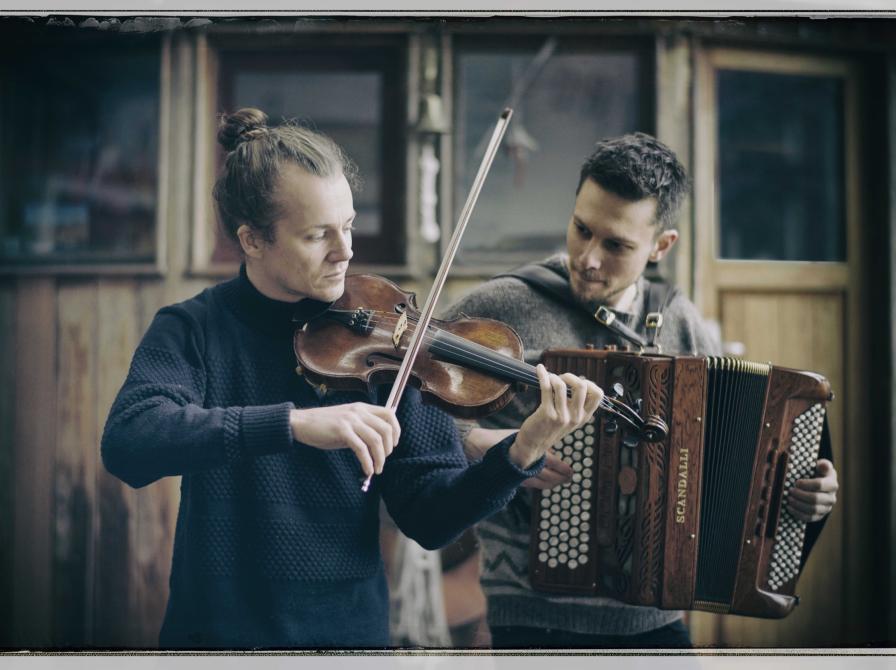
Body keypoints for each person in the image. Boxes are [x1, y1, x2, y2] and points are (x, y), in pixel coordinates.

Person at [100, 108, 604, 649]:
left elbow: (431, 520)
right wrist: (294, 424)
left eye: (347, 226)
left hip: (347, 638)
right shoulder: (193, 329)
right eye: (318, 235)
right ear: (252, 240)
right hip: (217, 639)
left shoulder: (387, 341)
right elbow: (130, 441)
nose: (345, 251)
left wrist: (520, 451)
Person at [443, 132, 840, 649]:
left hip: (653, 621)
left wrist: (798, 493)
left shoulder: (680, 323)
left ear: (660, 246)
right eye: (581, 229)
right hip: (531, 616)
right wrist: (484, 443)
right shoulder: (502, 307)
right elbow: (414, 410)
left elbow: (736, 460)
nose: (588, 258)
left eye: (616, 245)